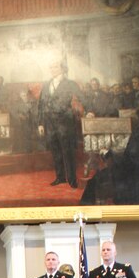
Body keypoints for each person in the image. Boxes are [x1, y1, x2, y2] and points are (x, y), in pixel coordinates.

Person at [38, 60, 83, 188]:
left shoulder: (70, 83)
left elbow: (82, 97)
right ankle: (60, 177)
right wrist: (40, 123)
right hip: (50, 124)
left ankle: (72, 179)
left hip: (65, 123)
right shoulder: (47, 84)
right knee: (55, 151)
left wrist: (90, 110)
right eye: (51, 67)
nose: (52, 69)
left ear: (63, 68)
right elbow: (41, 104)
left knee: (68, 152)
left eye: (55, 67)